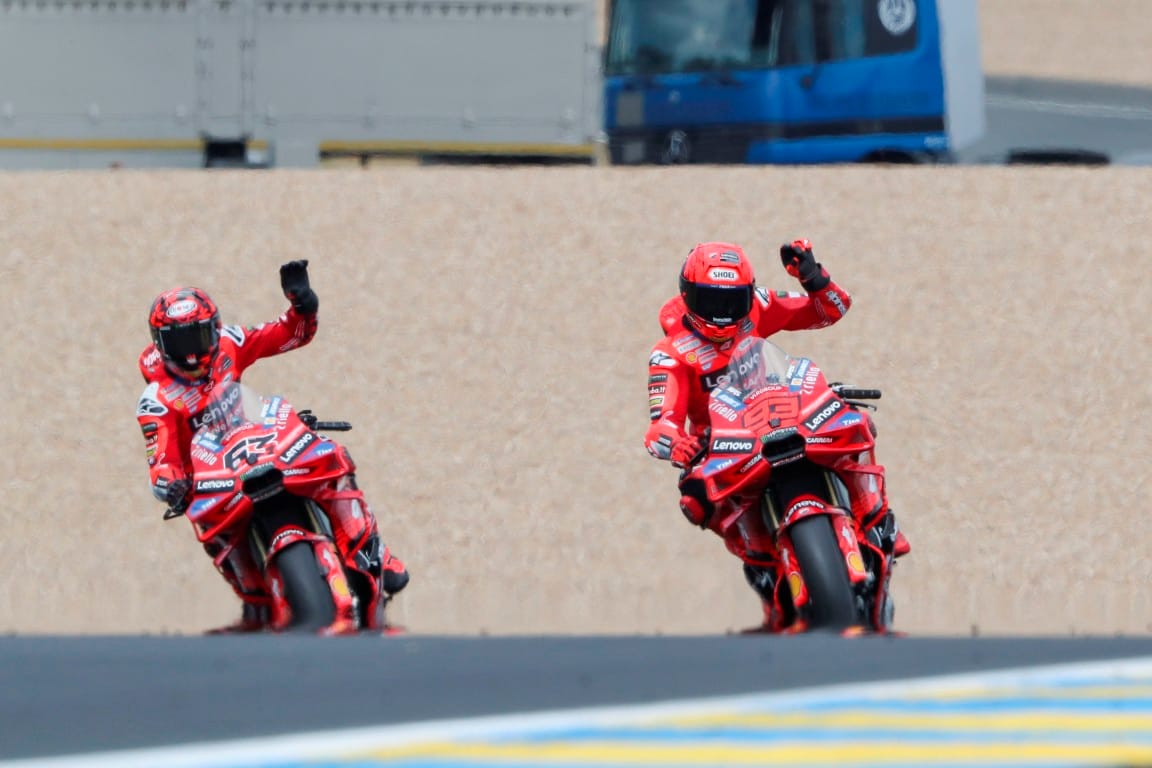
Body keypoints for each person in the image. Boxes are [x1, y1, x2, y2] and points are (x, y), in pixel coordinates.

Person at [643, 239, 909, 628]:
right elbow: (661, 420)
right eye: (710, 301)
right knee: (695, 498)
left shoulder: (760, 306)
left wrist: (813, 278)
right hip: (724, 443)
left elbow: (830, 309)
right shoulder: (669, 354)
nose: (722, 315)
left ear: (747, 295)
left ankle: (878, 517)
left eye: (731, 302)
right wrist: (675, 441)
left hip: (781, 413)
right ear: (687, 297)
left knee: (855, 422)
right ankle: (763, 565)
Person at [135, 260, 408, 632]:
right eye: (178, 342)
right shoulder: (156, 399)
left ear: (214, 330)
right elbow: (161, 458)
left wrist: (303, 306)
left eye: (197, 337)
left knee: (332, 457)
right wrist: (170, 482)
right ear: (159, 344)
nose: (191, 353)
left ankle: (375, 553)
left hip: (254, 442)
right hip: (208, 471)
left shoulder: (231, 342)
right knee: (211, 532)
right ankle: (256, 600)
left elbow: (289, 334)